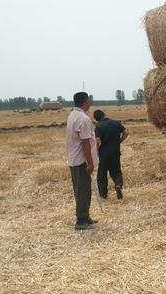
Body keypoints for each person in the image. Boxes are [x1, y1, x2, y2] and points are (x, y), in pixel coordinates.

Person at [66, 92, 99, 230]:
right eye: (89, 100)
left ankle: (85, 216)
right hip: (81, 161)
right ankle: (80, 221)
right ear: (86, 101)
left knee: (83, 189)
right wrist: (90, 163)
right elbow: (85, 143)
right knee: (82, 190)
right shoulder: (83, 119)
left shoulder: (73, 115)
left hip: (74, 159)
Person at [93, 109, 129, 200]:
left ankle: (103, 195)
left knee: (102, 174)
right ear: (104, 114)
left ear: (97, 120)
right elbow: (126, 132)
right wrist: (119, 141)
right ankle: (118, 185)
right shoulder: (115, 123)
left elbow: (97, 140)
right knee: (116, 171)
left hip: (104, 154)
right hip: (115, 152)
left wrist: (97, 151)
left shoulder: (99, 126)